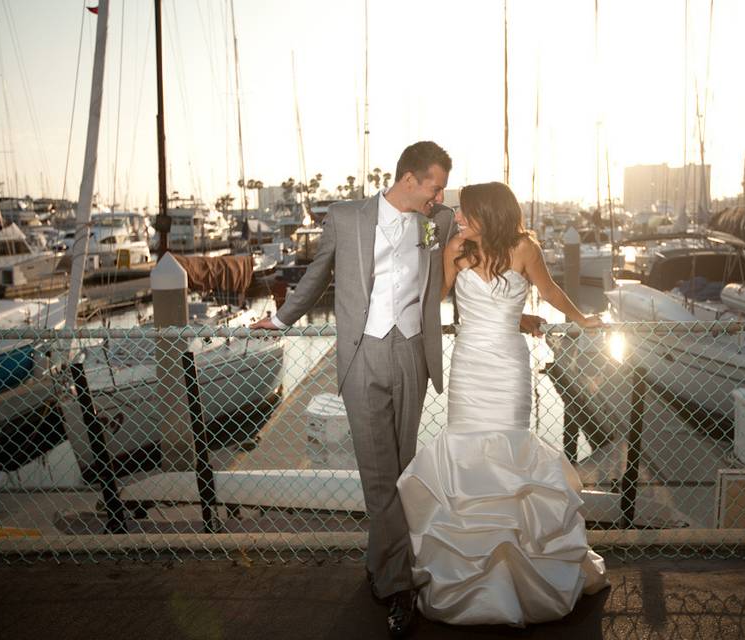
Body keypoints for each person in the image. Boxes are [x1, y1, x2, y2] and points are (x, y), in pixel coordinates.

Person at [251, 143, 541, 638]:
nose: (441, 195)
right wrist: (279, 319)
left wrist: (518, 314)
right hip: (362, 355)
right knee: (378, 474)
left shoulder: (443, 221)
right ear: (409, 179)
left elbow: (494, 239)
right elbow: (317, 275)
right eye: (435, 186)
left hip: (412, 355)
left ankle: (380, 562)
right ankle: (399, 585)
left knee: (404, 471)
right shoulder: (346, 216)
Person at [396, 181, 609, 627]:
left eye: (466, 211)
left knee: (512, 456)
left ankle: (519, 574)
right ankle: (473, 575)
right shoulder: (456, 246)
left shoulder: (525, 247)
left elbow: (549, 292)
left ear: (488, 212)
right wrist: (437, 256)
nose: (459, 217)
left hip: (510, 367)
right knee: (467, 452)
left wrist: (582, 319)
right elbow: (434, 299)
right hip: (470, 366)